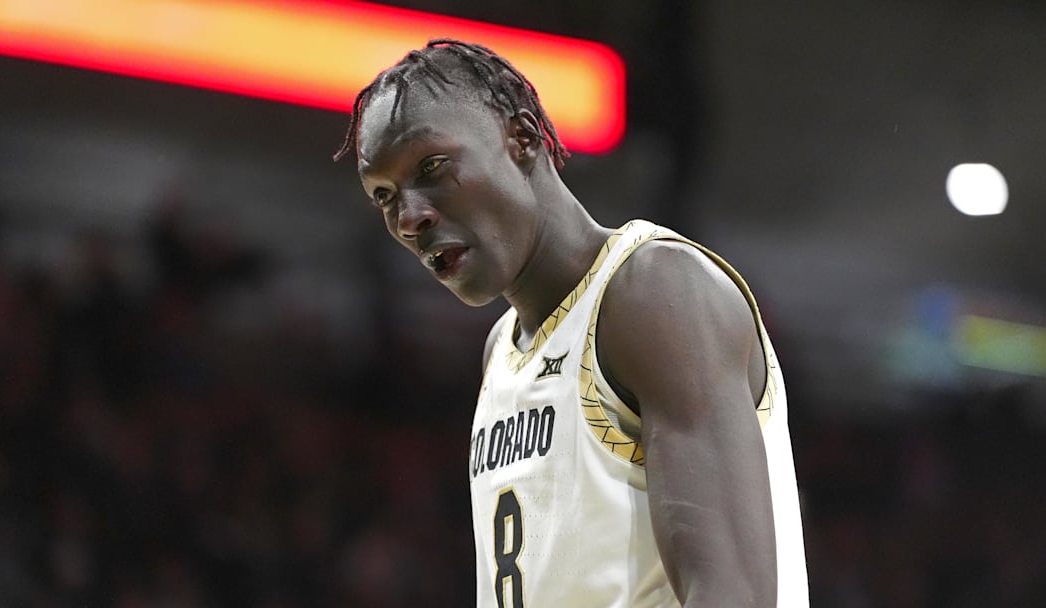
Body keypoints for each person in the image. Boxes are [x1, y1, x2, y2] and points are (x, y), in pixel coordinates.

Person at [335, 39, 809, 608]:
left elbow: (733, 593)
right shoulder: (501, 352)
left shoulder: (655, 290)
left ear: (523, 140)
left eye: (432, 167)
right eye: (384, 196)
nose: (409, 216)